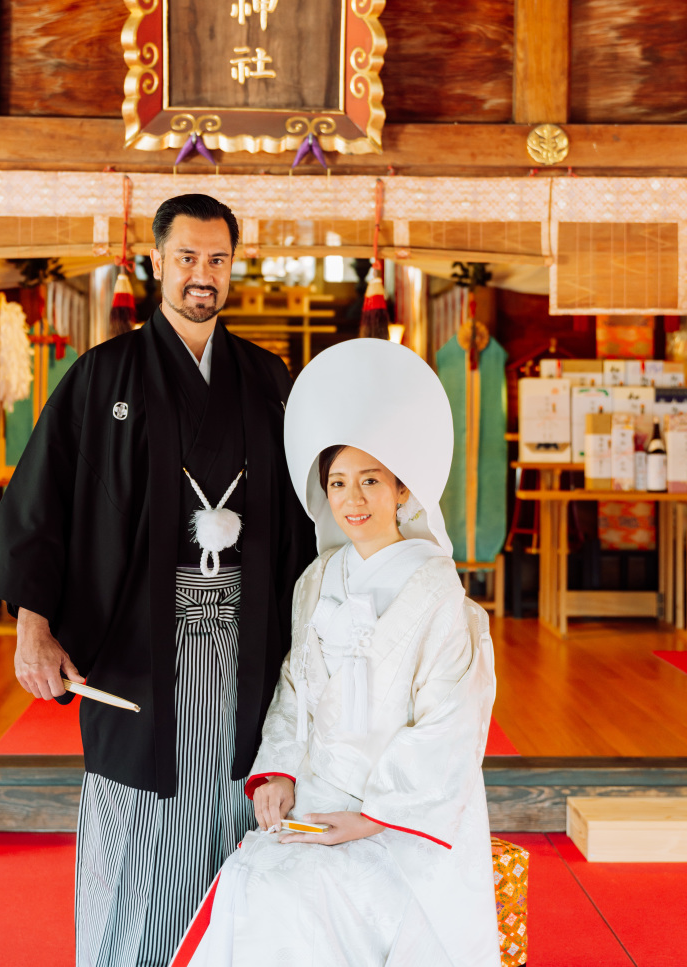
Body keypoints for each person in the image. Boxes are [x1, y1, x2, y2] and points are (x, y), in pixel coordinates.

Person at [0, 193, 315, 967]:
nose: (202, 275)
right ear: (157, 262)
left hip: (246, 646)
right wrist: (34, 621)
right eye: (187, 257)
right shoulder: (104, 374)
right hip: (136, 653)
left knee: (241, 800)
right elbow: (43, 502)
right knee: (137, 819)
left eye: (217, 259)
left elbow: (304, 517)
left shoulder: (266, 378)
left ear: (233, 266)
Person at [175, 337, 500, 967]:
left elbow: (450, 726)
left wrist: (372, 819)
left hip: (400, 818)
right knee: (251, 883)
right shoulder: (318, 579)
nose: (352, 499)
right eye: (339, 482)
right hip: (318, 794)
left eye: (371, 480)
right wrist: (278, 771)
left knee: (306, 897)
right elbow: (296, 687)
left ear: (402, 490)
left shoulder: (438, 591)